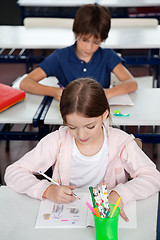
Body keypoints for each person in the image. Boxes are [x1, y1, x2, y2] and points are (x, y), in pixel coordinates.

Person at [5, 78, 160, 222]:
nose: (81, 135)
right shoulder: (56, 140)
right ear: (64, 120)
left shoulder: (121, 143)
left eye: (90, 126)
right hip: (67, 217)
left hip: (107, 218)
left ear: (105, 114)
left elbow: (153, 178)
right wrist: (47, 190)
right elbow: (13, 172)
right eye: (72, 127)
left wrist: (120, 194)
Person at [20, 4, 137, 101]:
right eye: (85, 40)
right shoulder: (60, 57)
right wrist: (55, 91)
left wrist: (106, 94)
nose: (89, 47)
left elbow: (132, 83)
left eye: (96, 42)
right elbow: (25, 83)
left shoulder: (107, 56)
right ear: (76, 33)